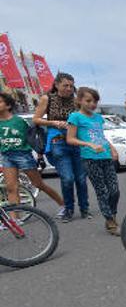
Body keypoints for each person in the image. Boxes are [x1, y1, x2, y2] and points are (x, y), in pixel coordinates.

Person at [32, 72, 89, 222]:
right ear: (56, 85)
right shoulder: (47, 98)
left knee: (81, 179)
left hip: (76, 142)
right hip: (58, 142)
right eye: (65, 85)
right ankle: (68, 209)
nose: (69, 88)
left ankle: (85, 209)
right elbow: (36, 119)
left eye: (71, 86)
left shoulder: (76, 100)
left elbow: (84, 118)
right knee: (67, 178)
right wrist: (53, 122)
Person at [66, 87, 121, 235]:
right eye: (88, 100)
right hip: (90, 159)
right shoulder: (75, 117)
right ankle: (110, 221)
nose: (92, 104)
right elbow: (70, 139)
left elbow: (101, 136)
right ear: (79, 101)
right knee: (102, 191)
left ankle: (112, 215)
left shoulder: (98, 118)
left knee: (114, 191)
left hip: (105, 157)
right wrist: (88, 144)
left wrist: (113, 148)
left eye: (95, 101)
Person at [0, 93, 65, 212]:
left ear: (8, 105)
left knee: (38, 184)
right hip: (6, 156)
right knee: (11, 188)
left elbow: (32, 138)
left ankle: (63, 204)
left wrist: (39, 154)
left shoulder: (19, 121)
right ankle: (15, 219)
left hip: (22, 155)